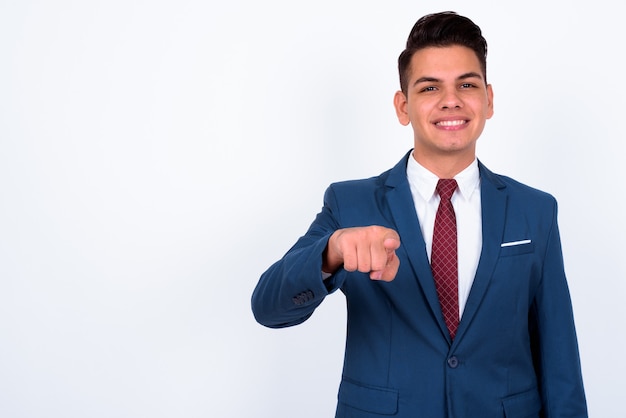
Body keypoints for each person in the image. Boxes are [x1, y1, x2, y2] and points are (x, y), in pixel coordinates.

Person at [251, 11, 587, 418]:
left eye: (467, 84)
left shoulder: (535, 210)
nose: (452, 100)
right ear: (403, 106)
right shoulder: (350, 204)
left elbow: (559, 355)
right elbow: (268, 307)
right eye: (430, 88)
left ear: (489, 99)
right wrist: (331, 252)